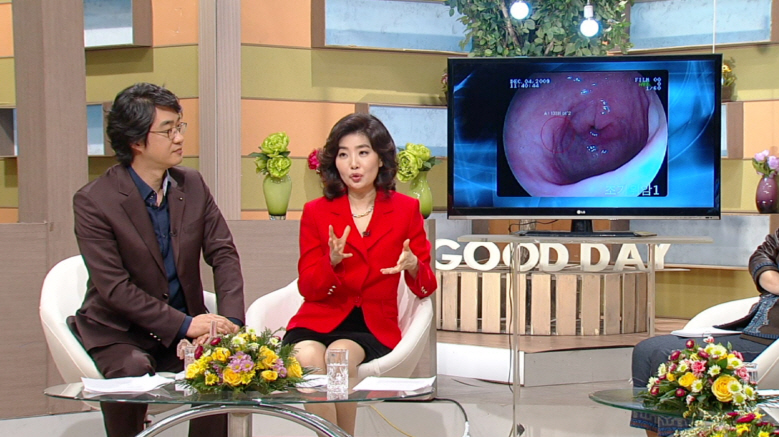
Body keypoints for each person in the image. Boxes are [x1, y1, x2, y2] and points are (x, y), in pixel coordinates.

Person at [70, 83, 245, 437]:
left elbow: (223, 254)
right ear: (136, 141)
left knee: (222, 364)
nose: (180, 138)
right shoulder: (94, 201)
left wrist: (228, 323)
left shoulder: (192, 185)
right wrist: (186, 324)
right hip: (120, 331)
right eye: (168, 130)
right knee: (131, 370)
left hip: (183, 327)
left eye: (180, 126)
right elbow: (115, 288)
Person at [282, 113, 437, 435]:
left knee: (339, 356)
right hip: (319, 317)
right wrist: (330, 262)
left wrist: (413, 265)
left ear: (380, 158)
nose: (353, 163)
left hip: (372, 323)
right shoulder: (316, 211)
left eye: (363, 152)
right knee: (307, 356)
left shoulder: (406, 209)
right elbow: (308, 288)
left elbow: (426, 288)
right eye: (343, 154)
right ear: (334, 162)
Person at [630, 229, 779, 436]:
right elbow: (762, 254)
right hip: (756, 327)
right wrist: (774, 282)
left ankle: (681, 432)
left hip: (772, 340)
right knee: (647, 349)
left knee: (670, 355)